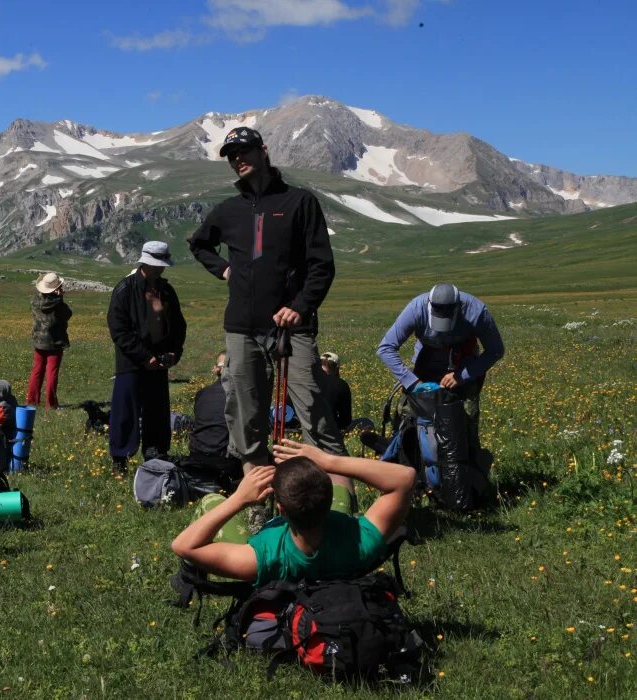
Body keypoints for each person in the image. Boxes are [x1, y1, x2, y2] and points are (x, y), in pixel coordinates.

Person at [188, 126, 349, 524]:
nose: (237, 159)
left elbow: (321, 265)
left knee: (313, 407)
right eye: (230, 155)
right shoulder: (228, 209)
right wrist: (223, 269)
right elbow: (198, 243)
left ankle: (344, 505)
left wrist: (300, 306)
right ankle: (258, 509)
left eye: (243, 151)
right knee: (246, 415)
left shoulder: (299, 202)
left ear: (263, 151)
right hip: (241, 327)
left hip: (291, 328)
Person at [171, 439, 415, 586]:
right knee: (343, 483)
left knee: (212, 500)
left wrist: (238, 499)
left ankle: (189, 577)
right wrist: (328, 461)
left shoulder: (264, 556)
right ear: (328, 501)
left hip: (281, 559)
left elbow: (184, 546)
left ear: (281, 509)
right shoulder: (361, 539)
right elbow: (405, 477)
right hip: (344, 556)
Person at [377, 283, 504, 509]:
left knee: (465, 426)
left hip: (463, 369)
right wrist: (413, 382)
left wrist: (462, 375)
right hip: (424, 369)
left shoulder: (476, 312)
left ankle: (468, 489)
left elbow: (496, 350)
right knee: (408, 423)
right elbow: (386, 348)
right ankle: (412, 487)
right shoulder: (416, 308)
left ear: (458, 309)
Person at [106, 241, 186, 474]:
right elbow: (118, 329)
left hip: (160, 361)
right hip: (132, 362)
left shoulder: (167, 291)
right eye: (156, 265)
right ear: (145, 264)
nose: (160, 269)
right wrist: (143, 356)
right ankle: (120, 457)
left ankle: (156, 453)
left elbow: (178, 325)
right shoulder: (126, 289)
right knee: (125, 411)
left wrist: (174, 352)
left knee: (158, 410)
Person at [26, 272, 72, 408]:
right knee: (52, 373)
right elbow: (67, 314)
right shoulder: (58, 305)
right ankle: (51, 404)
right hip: (54, 342)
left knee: (37, 371)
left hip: (39, 340)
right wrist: (60, 299)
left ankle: (32, 401)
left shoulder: (35, 300)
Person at [318, 351, 353, 431]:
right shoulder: (341, 385)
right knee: (366, 421)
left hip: (304, 425)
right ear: (337, 368)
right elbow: (346, 420)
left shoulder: (308, 381)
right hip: (330, 429)